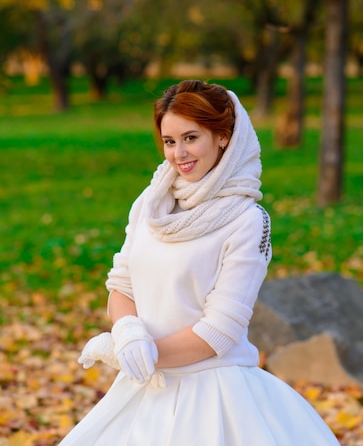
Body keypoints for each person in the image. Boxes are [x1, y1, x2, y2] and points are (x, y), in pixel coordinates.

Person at [58, 80, 340, 445]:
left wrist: (146, 353)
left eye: (191, 137)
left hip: (214, 394)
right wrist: (127, 334)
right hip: (144, 386)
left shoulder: (248, 220)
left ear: (224, 136)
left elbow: (219, 330)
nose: (178, 154)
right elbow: (122, 285)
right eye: (169, 141)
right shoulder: (151, 203)